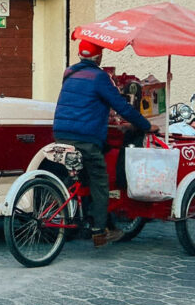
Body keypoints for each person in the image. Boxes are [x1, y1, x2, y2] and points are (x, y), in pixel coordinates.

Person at [53, 40, 152, 247]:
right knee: (100, 180)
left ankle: (89, 216)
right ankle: (99, 230)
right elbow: (122, 107)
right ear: (98, 57)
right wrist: (145, 125)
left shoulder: (68, 72)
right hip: (85, 137)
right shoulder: (99, 77)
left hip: (61, 133)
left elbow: (80, 102)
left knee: (86, 174)